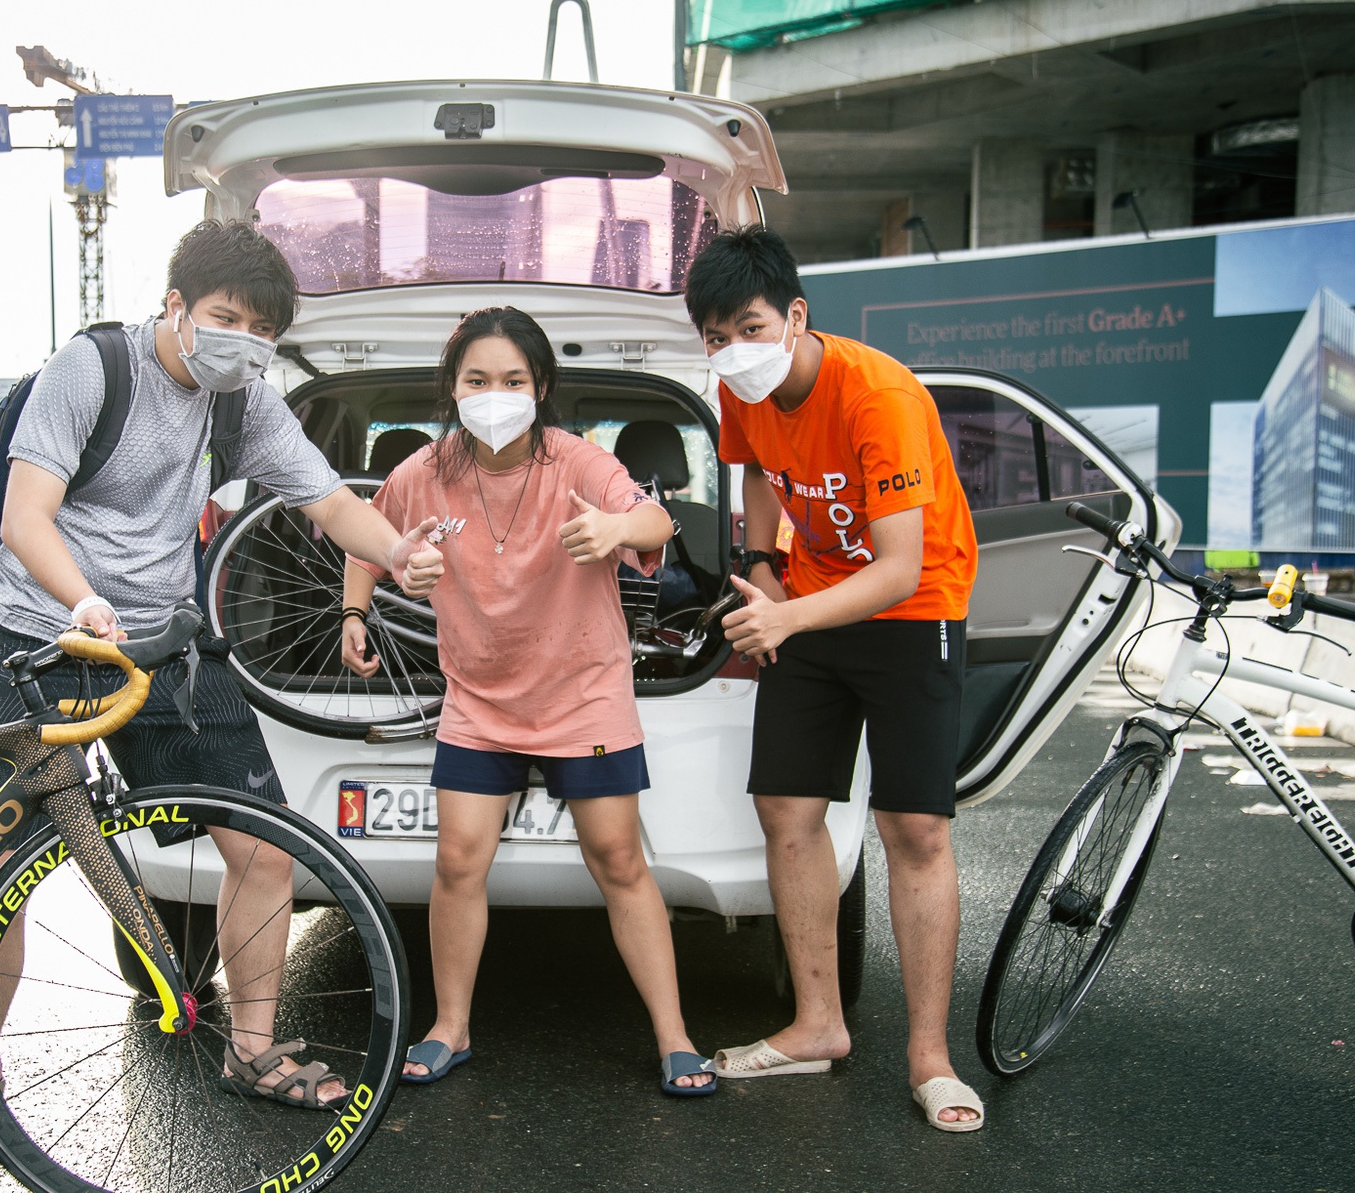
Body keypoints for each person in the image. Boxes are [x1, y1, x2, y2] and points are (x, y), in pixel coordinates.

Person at [0, 220, 446, 1150]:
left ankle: (251, 1047)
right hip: (35, 642)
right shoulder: (91, 370)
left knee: (263, 846)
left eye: (261, 332)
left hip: (161, 648)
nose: (242, 341)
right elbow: (26, 518)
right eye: (224, 318)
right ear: (176, 307)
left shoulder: (241, 398)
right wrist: (81, 601)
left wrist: (399, 553)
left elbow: (325, 501)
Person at [339, 306, 717, 1097]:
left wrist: (615, 527)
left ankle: (676, 1037)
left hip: (584, 694)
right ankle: (451, 1025)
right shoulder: (428, 471)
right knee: (456, 862)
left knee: (619, 860)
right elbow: (366, 538)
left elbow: (655, 517)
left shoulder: (576, 463)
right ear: (452, 387)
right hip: (479, 699)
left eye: (513, 379)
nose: (495, 393)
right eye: (477, 379)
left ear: (539, 386)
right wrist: (353, 611)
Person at [687, 226, 984, 1132]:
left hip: (911, 611)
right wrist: (770, 572)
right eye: (714, 337)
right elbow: (761, 483)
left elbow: (897, 568)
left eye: (748, 326)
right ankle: (817, 1024)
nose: (732, 351)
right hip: (810, 603)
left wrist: (783, 616)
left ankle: (931, 1057)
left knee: (914, 828)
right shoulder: (751, 390)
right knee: (787, 809)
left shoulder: (878, 397)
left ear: (795, 316)